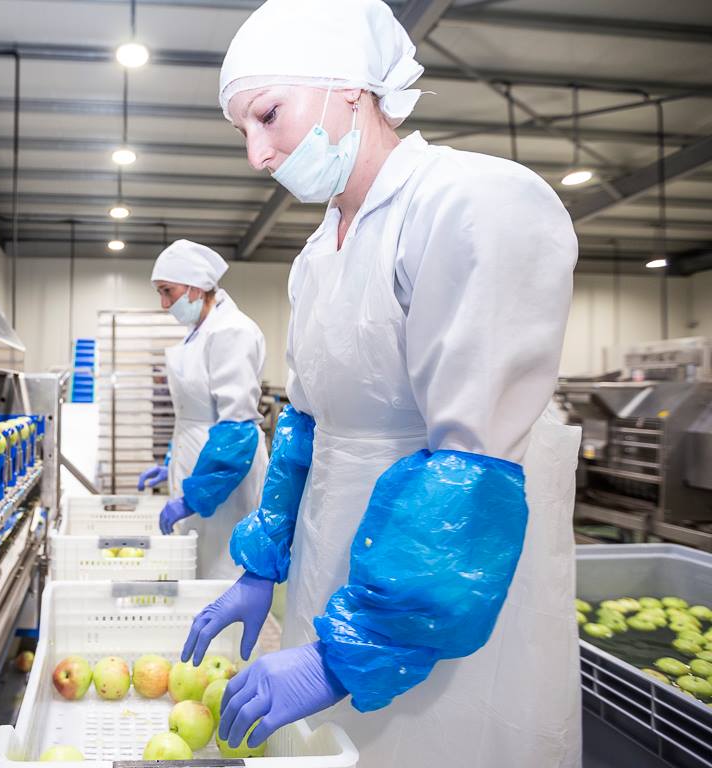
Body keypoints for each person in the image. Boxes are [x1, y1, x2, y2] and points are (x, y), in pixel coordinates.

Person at [179, 1, 583, 765]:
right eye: (242, 131)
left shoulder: (472, 204)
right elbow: (302, 429)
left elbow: (469, 469)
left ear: (350, 89)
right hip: (337, 576)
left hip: (440, 597)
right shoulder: (317, 256)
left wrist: (357, 646)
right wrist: (263, 560)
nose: (257, 154)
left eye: (268, 114)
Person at [138, 239, 269, 579]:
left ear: (195, 288)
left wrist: (195, 496)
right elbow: (193, 413)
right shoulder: (198, 332)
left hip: (225, 483)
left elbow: (236, 428)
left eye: (167, 291)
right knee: (197, 571)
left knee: (221, 574)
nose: (164, 304)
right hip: (200, 470)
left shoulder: (232, 331)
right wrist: (171, 463)